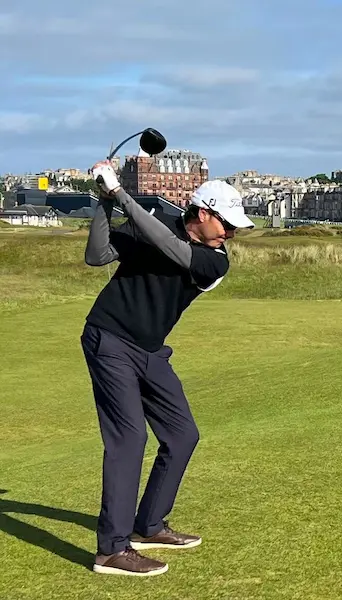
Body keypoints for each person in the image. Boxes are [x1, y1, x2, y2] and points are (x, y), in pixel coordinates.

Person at [81, 160, 254, 576]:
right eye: (226, 223)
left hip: (151, 350)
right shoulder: (157, 219)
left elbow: (171, 247)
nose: (231, 233)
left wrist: (121, 196)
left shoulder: (216, 261)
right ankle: (112, 550)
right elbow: (97, 255)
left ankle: (149, 525)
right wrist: (105, 203)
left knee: (182, 434)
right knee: (129, 438)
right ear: (204, 213)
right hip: (109, 338)